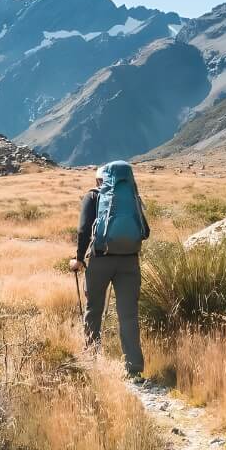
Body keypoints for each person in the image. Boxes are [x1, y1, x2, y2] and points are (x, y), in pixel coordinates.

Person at [69, 161, 150, 377]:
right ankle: (134, 369)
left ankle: (92, 360)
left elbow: (84, 229)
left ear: (99, 180)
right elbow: (146, 231)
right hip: (129, 261)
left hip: (100, 260)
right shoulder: (132, 197)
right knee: (128, 315)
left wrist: (78, 259)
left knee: (93, 310)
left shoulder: (94, 196)